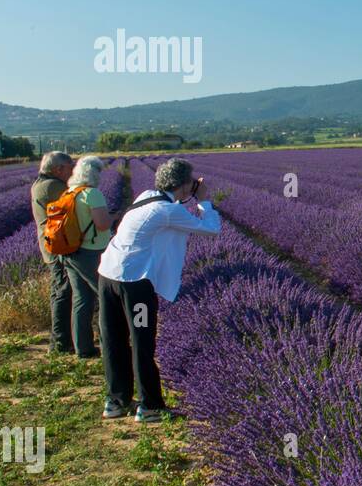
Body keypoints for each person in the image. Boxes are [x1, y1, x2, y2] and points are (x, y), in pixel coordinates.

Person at [97, 158, 220, 422]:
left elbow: (168, 216)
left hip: (108, 276)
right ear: (184, 184)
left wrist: (186, 198)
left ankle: (116, 401)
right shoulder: (167, 211)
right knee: (142, 341)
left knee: (114, 339)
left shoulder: (146, 197)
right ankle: (150, 406)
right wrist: (203, 201)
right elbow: (212, 229)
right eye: (191, 181)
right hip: (135, 285)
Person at [59, 155, 119, 358]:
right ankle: (108, 345)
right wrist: (116, 216)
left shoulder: (69, 192)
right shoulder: (92, 194)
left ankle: (83, 348)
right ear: (93, 174)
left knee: (81, 299)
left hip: (69, 252)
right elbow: (103, 224)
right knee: (106, 297)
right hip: (92, 252)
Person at [30, 151, 75, 353]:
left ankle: (60, 340)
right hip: (58, 248)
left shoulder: (40, 184)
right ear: (58, 169)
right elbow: (74, 209)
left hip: (52, 246)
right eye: (69, 168)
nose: (72, 172)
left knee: (60, 291)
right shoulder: (53, 187)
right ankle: (60, 343)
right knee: (63, 292)